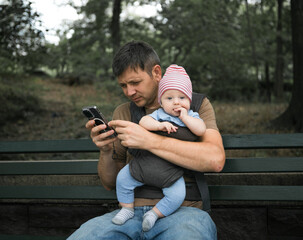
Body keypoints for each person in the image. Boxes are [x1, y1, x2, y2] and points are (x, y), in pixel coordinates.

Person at [67, 41, 225, 240]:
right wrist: (106, 151)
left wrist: (149, 140)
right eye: (123, 85)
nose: (128, 92)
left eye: (135, 83)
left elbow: (215, 160)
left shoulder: (194, 105)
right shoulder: (123, 112)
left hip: (183, 213)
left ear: (156, 73)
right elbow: (109, 183)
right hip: (127, 214)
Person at [111, 64, 207, 232]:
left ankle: (155, 214)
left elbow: (200, 129)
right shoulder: (159, 114)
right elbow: (143, 122)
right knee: (122, 179)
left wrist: (185, 117)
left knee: (177, 195)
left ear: (189, 100)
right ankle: (127, 209)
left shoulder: (192, 115)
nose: (176, 102)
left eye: (182, 98)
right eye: (169, 98)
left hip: (170, 173)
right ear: (161, 101)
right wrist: (159, 126)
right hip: (143, 167)